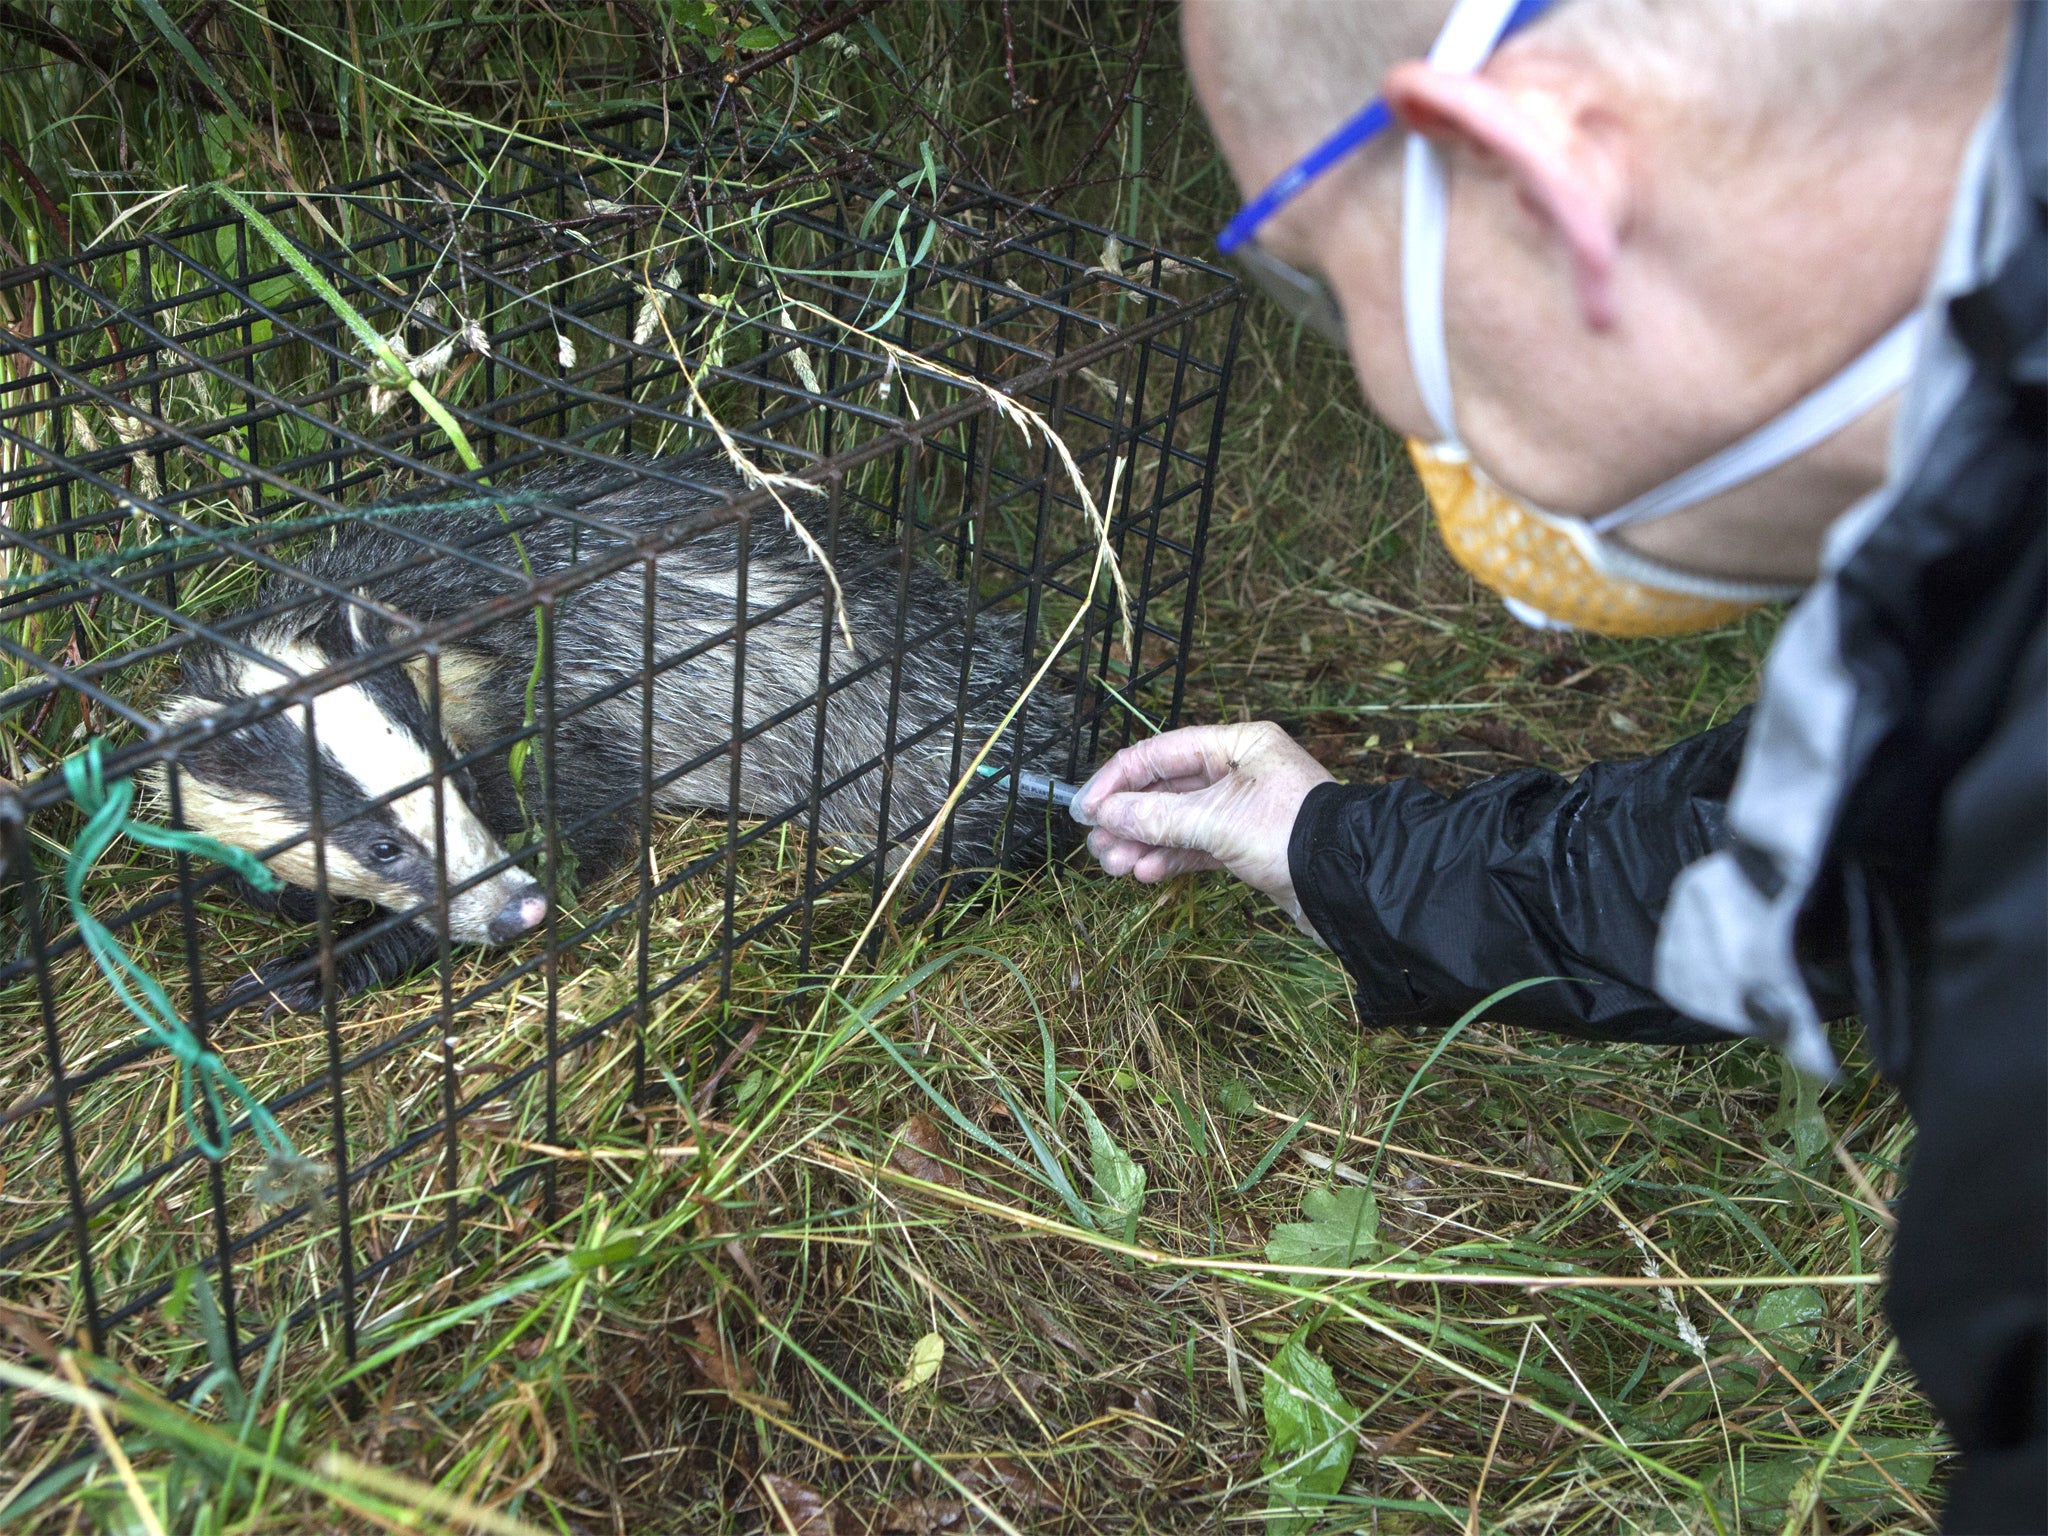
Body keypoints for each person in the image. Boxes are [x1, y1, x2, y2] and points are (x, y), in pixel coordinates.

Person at [1073, 2, 2045, 1528]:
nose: (1395, 406)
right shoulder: (1987, 589)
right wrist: (1326, 844)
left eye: (1329, 285)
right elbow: (1828, 836)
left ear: (1544, 182)